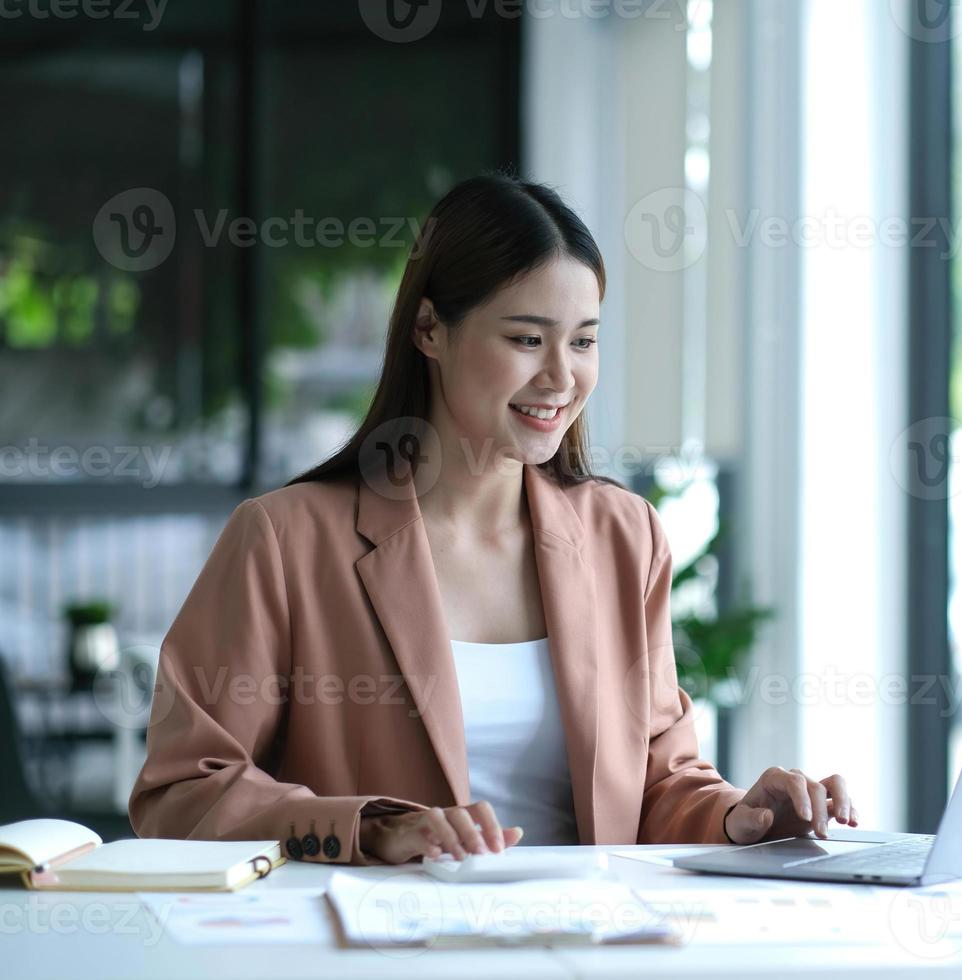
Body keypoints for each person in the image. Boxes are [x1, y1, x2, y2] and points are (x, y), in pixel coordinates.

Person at [128, 171, 857, 865]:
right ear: (429, 331)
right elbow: (182, 792)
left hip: (586, 945)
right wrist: (373, 830)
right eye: (526, 339)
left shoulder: (622, 537)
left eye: (583, 340)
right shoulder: (286, 541)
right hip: (376, 950)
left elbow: (659, 783)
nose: (562, 377)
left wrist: (741, 817)